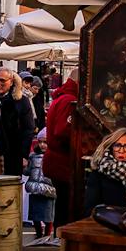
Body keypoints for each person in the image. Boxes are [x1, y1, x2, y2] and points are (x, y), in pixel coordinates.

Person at [42, 74, 81, 204]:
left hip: (57, 162)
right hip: (62, 163)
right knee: (64, 206)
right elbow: (63, 131)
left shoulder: (63, 97)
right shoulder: (69, 100)